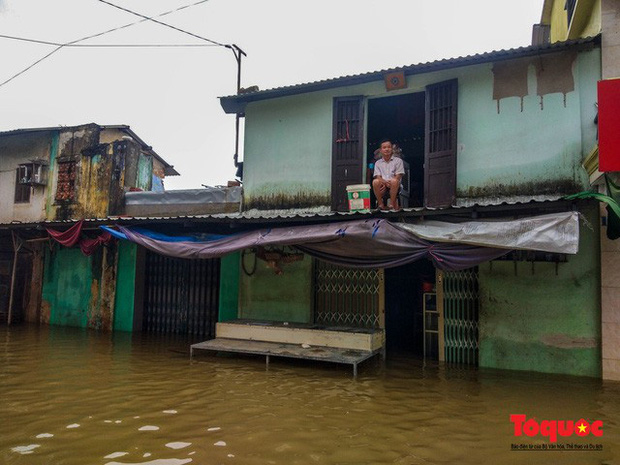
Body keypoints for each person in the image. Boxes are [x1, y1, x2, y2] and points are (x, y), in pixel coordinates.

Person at [372, 139, 404, 211]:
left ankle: (391, 205)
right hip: (382, 185)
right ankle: (381, 204)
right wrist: (385, 183)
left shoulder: (398, 161)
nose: (387, 149)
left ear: (392, 149)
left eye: (389, 147)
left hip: (395, 185)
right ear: (380, 150)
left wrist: (390, 183)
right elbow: (377, 176)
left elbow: (398, 175)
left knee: (394, 181)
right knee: (375, 182)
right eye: (384, 147)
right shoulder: (378, 163)